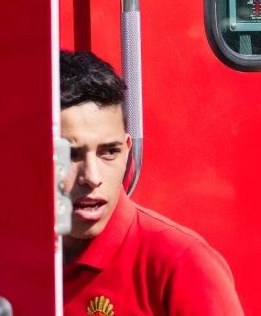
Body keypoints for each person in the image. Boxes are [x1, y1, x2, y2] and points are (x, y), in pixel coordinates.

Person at [60, 50, 243, 315]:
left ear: (127, 149)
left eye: (109, 152)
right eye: (70, 155)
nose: (92, 177)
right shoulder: (11, 255)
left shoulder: (181, 262)